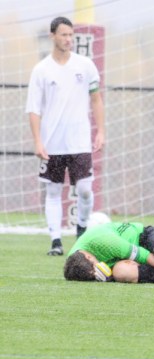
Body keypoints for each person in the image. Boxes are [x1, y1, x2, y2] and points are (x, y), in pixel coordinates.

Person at [26, 16, 105, 256]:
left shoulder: (85, 65)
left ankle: (81, 229)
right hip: (52, 144)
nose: (68, 39)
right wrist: (38, 141)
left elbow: (95, 99)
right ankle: (56, 241)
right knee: (53, 191)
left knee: (84, 189)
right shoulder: (41, 70)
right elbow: (33, 109)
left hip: (80, 141)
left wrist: (101, 130)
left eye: (71, 35)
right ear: (53, 36)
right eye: (64, 35)